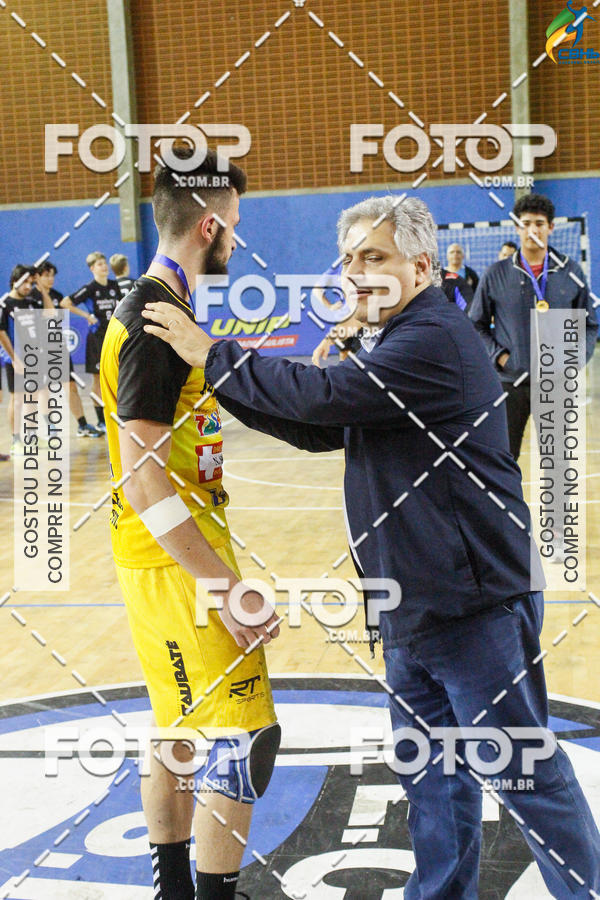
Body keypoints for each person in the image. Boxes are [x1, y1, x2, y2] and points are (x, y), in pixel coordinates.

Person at [142, 195, 600, 899]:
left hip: (473, 607)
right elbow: (322, 427)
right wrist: (216, 374)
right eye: (350, 258)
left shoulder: (434, 339)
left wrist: (214, 354)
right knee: (434, 785)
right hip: (412, 608)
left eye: (374, 257)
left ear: (420, 265)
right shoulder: (395, 338)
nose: (355, 272)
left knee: (525, 775)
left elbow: (324, 399)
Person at [99, 146, 281, 900]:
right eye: (233, 226)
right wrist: (222, 586)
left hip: (163, 554)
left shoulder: (160, 307)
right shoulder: (153, 322)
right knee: (244, 740)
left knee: (176, 727)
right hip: (174, 563)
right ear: (208, 225)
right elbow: (142, 478)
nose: (237, 241)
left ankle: (176, 891)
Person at [469, 193, 597, 460]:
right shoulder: (496, 274)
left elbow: (589, 326)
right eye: (526, 223)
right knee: (502, 462)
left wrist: (572, 361)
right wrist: (501, 357)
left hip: (557, 384)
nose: (533, 230)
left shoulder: (570, 272)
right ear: (517, 227)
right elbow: (475, 326)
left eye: (539, 223)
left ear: (551, 227)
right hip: (508, 384)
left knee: (559, 467)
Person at [32, 262, 101, 437]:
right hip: (38, 349)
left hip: (57, 347)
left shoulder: (57, 296)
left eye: (52, 275)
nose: (51, 279)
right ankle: (49, 427)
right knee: (44, 389)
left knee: (71, 386)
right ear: (37, 277)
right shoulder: (31, 297)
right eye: (46, 275)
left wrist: (86, 316)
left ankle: (82, 425)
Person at [61, 252, 119, 434]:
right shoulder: (90, 288)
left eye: (104, 263)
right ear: (92, 268)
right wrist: (87, 316)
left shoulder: (114, 286)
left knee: (118, 376)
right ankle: (100, 420)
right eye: (100, 264)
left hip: (113, 336)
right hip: (96, 338)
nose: (104, 266)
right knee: (98, 380)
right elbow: (65, 303)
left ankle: (116, 416)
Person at [0, 265, 39, 454]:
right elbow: (1, 333)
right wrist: (15, 359)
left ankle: (31, 436)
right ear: (14, 281)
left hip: (32, 357)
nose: (28, 287)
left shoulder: (30, 302)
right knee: (17, 399)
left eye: (31, 283)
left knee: (32, 398)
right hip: (14, 359)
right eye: (24, 282)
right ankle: (16, 440)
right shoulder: (4, 304)